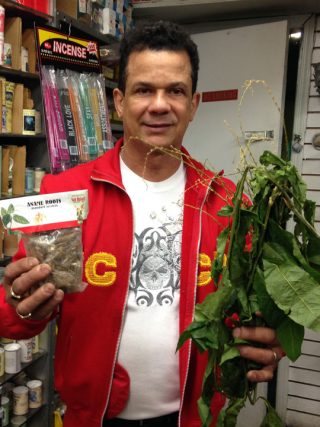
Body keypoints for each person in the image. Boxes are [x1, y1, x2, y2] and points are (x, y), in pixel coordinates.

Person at [0, 21, 284, 427]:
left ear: (195, 104)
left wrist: (272, 340)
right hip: (93, 417)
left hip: (194, 418)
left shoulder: (228, 204)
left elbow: (260, 315)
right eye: (144, 89)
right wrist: (18, 303)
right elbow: (19, 315)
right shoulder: (67, 195)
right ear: (118, 101)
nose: (159, 105)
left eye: (176, 91)